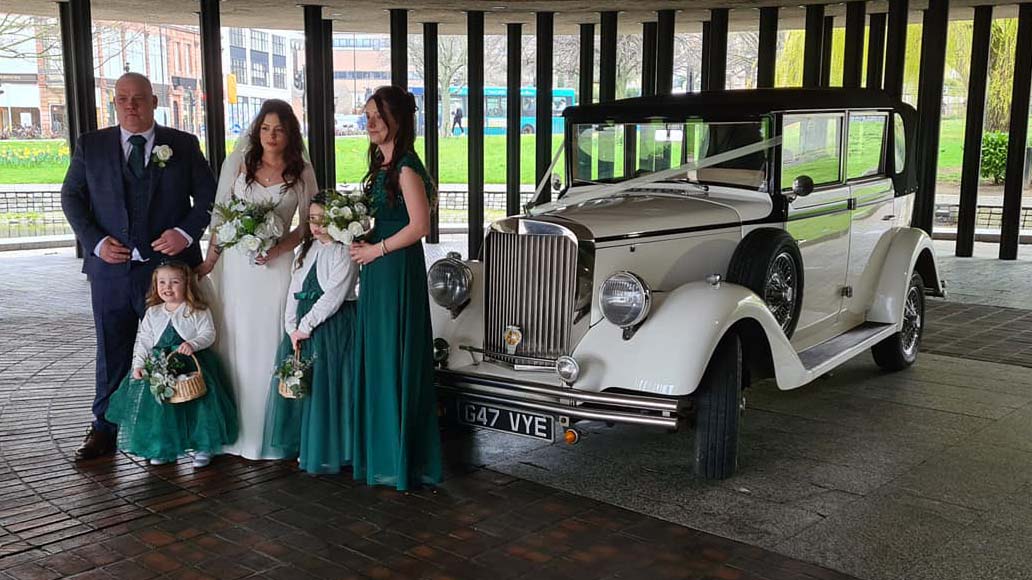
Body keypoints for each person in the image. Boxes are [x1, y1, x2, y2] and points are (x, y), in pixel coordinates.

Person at [61, 72, 216, 461]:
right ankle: (104, 429)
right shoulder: (91, 145)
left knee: (174, 349)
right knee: (112, 351)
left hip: (169, 276)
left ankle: (177, 434)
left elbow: (211, 195)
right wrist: (94, 242)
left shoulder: (182, 144)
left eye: (140, 98)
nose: (131, 105)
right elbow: (71, 196)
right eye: (123, 98)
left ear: (154, 102)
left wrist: (185, 232)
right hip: (111, 274)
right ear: (115, 103)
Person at [197, 99, 317, 460]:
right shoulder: (239, 164)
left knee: (268, 340)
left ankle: (270, 431)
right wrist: (210, 260)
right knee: (234, 340)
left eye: (278, 129)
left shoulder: (302, 171)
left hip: (275, 267)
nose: (271, 135)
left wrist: (282, 248)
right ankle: (231, 433)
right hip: (236, 266)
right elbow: (220, 217)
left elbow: (309, 225)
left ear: (290, 132)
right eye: (265, 128)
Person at [349, 85, 442, 490]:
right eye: (367, 115)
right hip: (378, 267)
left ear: (398, 120)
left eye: (377, 116)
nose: (369, 123)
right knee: (379, 354)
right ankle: (383, 453)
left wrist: (376, 250)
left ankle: (400, 458)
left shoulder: (405, 165)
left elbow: (420, 226)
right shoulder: (383, 165)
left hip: (395, 268)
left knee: (393, 354)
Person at [261, 192, 359, 473]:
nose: (316, 226)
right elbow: (294, 289)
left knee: (330, 385)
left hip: (331, 326)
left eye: (323, 220)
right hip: (302, 327)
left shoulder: (343, 253)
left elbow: (334, 296)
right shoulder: (308, 250)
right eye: (312, 219)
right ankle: (307, 443)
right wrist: (290, 325)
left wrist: (305, 326)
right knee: (305, 384)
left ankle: (330, 449)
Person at [105, 261, 238, 467]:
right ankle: (163, 446)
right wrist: (138, 365)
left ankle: (202, 446)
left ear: (187, 285)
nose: (167, 287)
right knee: (163, 410)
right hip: (161, 367)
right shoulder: (153, 312)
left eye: (174, 282)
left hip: (191, 366)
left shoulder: (196, 310)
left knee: (197, 406)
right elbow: (145, 340)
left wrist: (193, 344)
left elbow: (209, 334)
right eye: (162, 282)